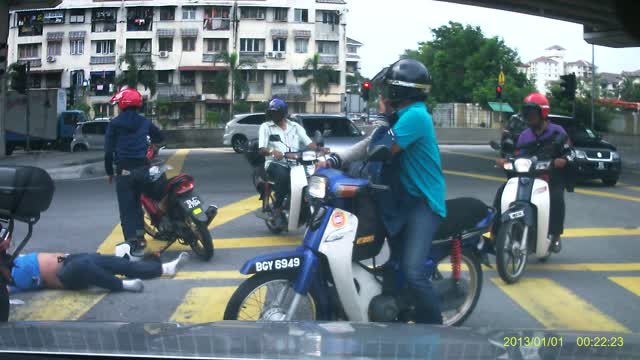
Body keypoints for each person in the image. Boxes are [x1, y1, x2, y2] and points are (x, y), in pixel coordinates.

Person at [320, 59, 447, 324]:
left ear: (401, 91)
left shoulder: (416, 116)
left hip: (423, 203)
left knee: (412, 270)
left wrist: (380, 116)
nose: (384, 94)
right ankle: (397, 312)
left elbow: (383, 148)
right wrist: (334, 160)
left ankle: (437, 328)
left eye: (388, 88)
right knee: (393, 266)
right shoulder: (402, 115)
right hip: (401, 199)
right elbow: (369, 144)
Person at [495, 92, 573, 253]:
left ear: (542, 113)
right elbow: (516, 154)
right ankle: (495, 234)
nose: (528, 117)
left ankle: (556, 235)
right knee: (501, 192)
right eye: (526, 113)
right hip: (527, 176)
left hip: (550, 176)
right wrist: (505, 161)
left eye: (532, 113)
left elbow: (570, 152)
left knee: (557, 197)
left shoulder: (558, 132)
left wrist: (563, 160)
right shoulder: (524, 135)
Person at [105, 88, 164, 259]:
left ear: (122, 105)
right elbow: (159, 137)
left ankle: (134, 243)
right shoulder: (144, 122)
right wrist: (150, 143)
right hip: (143, 170)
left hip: (124, 172)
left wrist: (109, 172)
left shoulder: (114, 124)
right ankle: (142, 236)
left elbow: (108, 152)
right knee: (140, 203)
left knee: (127, 209)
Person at [7, 248, 189, 294]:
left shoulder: (12, 259)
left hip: (71, 259)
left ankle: (164, 268)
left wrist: (63, 257)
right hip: (67, 276)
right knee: (83, 266)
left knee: (117, 262)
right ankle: (123, 285)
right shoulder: (10, 280)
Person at [258, 98, 318, 227]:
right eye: (271, 112)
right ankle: (278, 210)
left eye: (276, 113)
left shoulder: (295, 127)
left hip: (296, 164)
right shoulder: (266, 127)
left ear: (283, 113)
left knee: (309, 180)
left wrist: (318, 149)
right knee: (284, 176)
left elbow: (308, 142)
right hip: (275, 163)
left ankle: (301, 210)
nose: (273, 115)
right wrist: (272, 151)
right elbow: (262, 149)